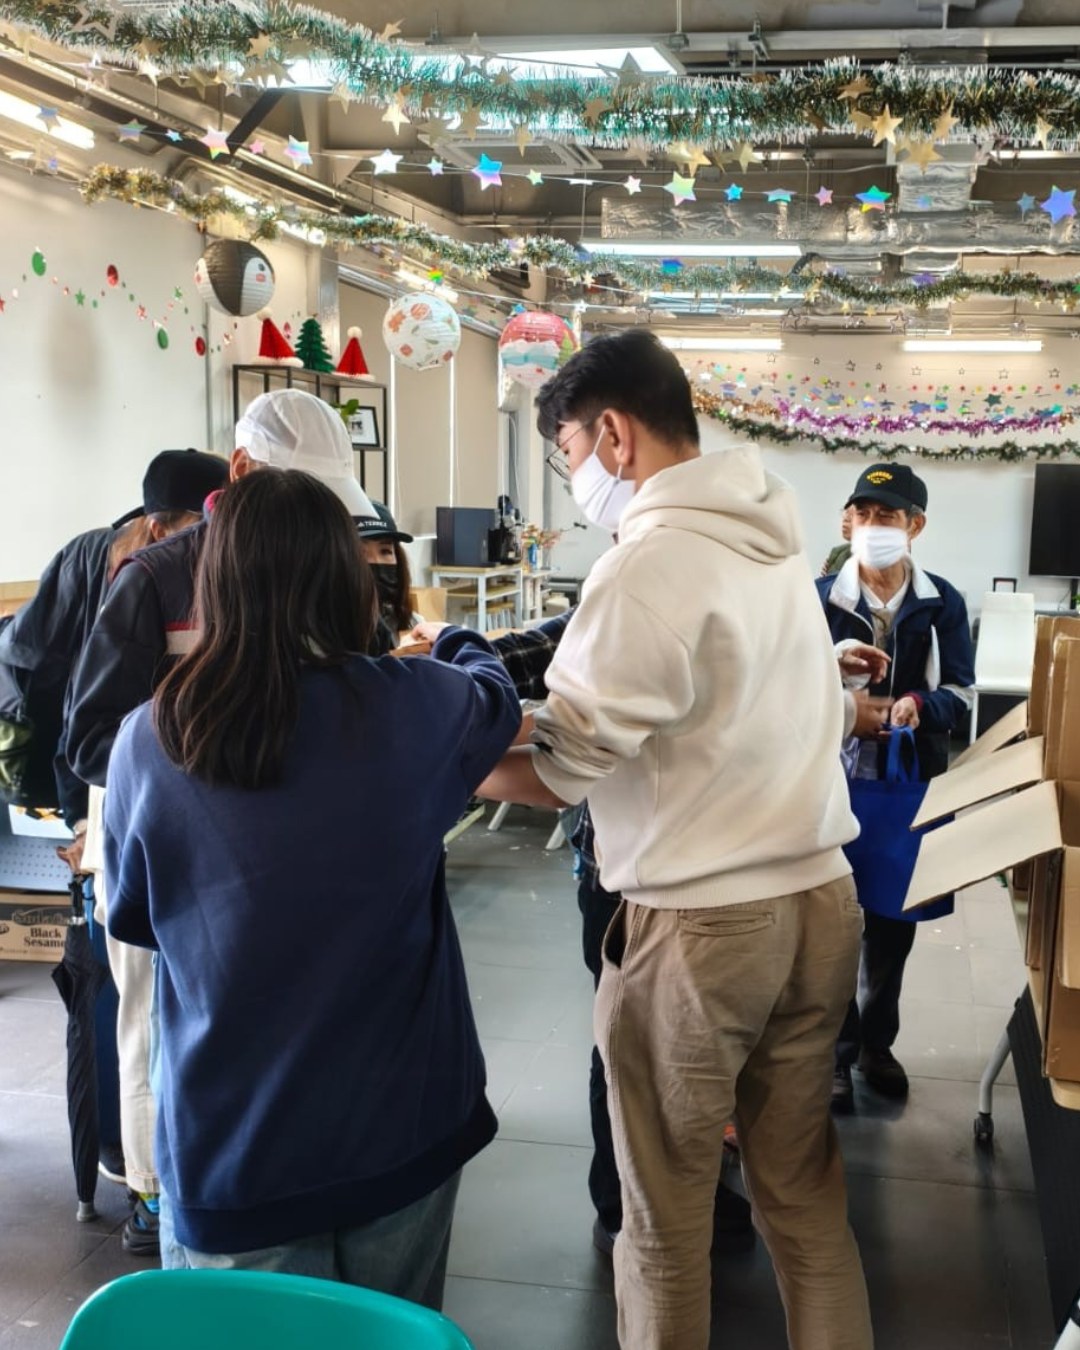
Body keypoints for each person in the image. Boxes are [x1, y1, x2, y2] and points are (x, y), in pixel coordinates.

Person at [476, 329, 872, 1350]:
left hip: (702, 926)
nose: (574, 483)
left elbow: (565, 763)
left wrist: (427, 751)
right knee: (803, 1196)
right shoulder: (775, 537)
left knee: (662, 1220)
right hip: (820, 900)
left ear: (612, 435)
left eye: (567, 455)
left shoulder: (649, 555)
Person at [102, 469, 519, 1302]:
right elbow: (497, 698)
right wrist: (451, 639)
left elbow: (137, 917)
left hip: (236, 1145)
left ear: (217, 579)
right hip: (403, 1123)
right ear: (349, 578)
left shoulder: (149, 740)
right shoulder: (416, 705)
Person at [67, 391, 377, 1256]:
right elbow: (92, 736)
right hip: (165, 850)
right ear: (239, 471)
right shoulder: (157, 578)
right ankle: (155, 1196)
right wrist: (193, 769)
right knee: (158, 1027)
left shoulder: (326, 567)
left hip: (280, 849)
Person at [817, 464, 975, 1111]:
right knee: (833, 922)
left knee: (893, 924)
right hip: (833, 782)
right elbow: (791, 687)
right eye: (865, 513)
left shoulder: (944, 604)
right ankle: (834, 1053)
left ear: (916, 525)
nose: (875, 527)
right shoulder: (819, 596)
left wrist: (915, 704)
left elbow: (961, 695)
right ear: (848, 520)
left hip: (909, 783)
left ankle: (877, 1045)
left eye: (889, 516)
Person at [355, 501, 422, 642]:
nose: (376, 561)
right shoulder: (323, 633)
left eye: (385, 551)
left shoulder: (412, 623)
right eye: (361, 552)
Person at [821, 505, 854, 577]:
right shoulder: (837, 552)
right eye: (846, 513)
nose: (845, 519)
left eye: (851, 516)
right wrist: (824, 580)